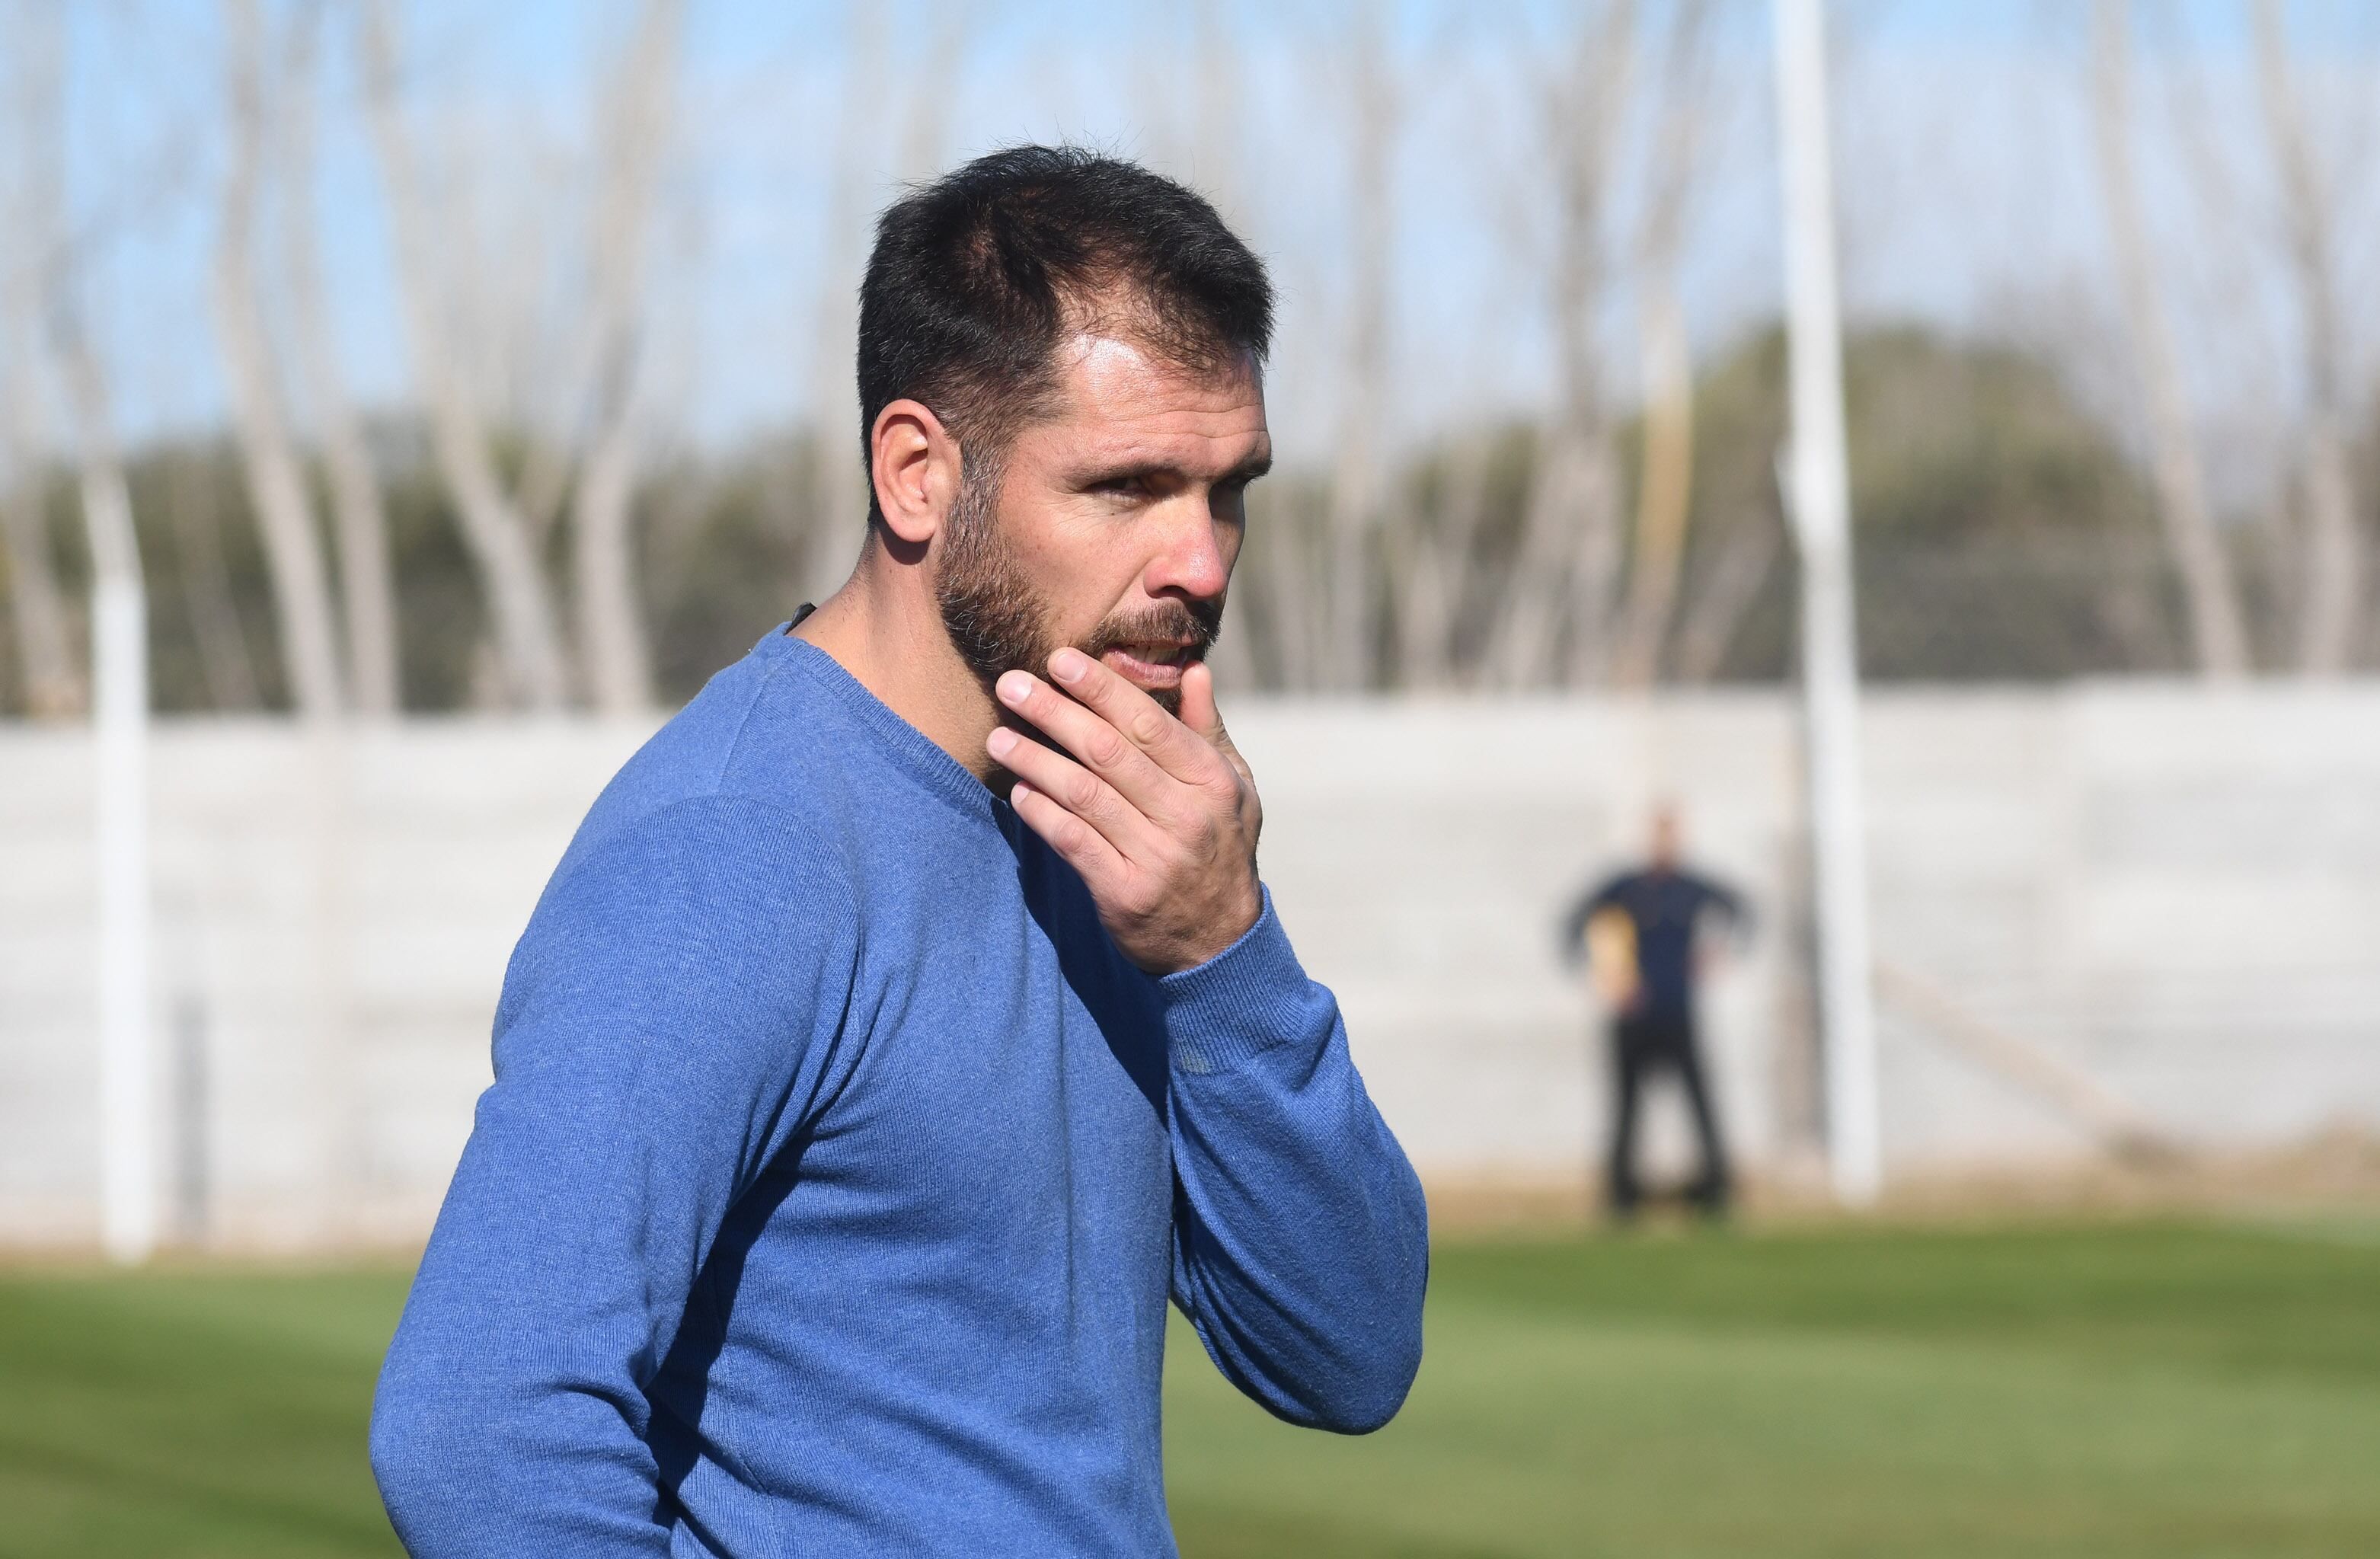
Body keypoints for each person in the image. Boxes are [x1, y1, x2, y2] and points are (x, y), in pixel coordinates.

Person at [369, 147, 1428, 1557]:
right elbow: (478, 1429)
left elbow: (1346, 1353)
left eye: (1228, 488)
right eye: (1128, 486)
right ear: (918, 473)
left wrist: (1223, 957)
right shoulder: (734, 852)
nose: (1204, 560)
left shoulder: (1113, 829)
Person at [1560, 806, 1748, 1219]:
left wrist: (1721, 952)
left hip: (1678, 1013)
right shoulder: (1625, 888)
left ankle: (1715, 1191)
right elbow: (1574, 922)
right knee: (1627, 1108)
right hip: (1633, 1017)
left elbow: (1742, 910)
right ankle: (1622, 1197)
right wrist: (1601, 975)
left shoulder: (1691, 887)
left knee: (1701, 1103)